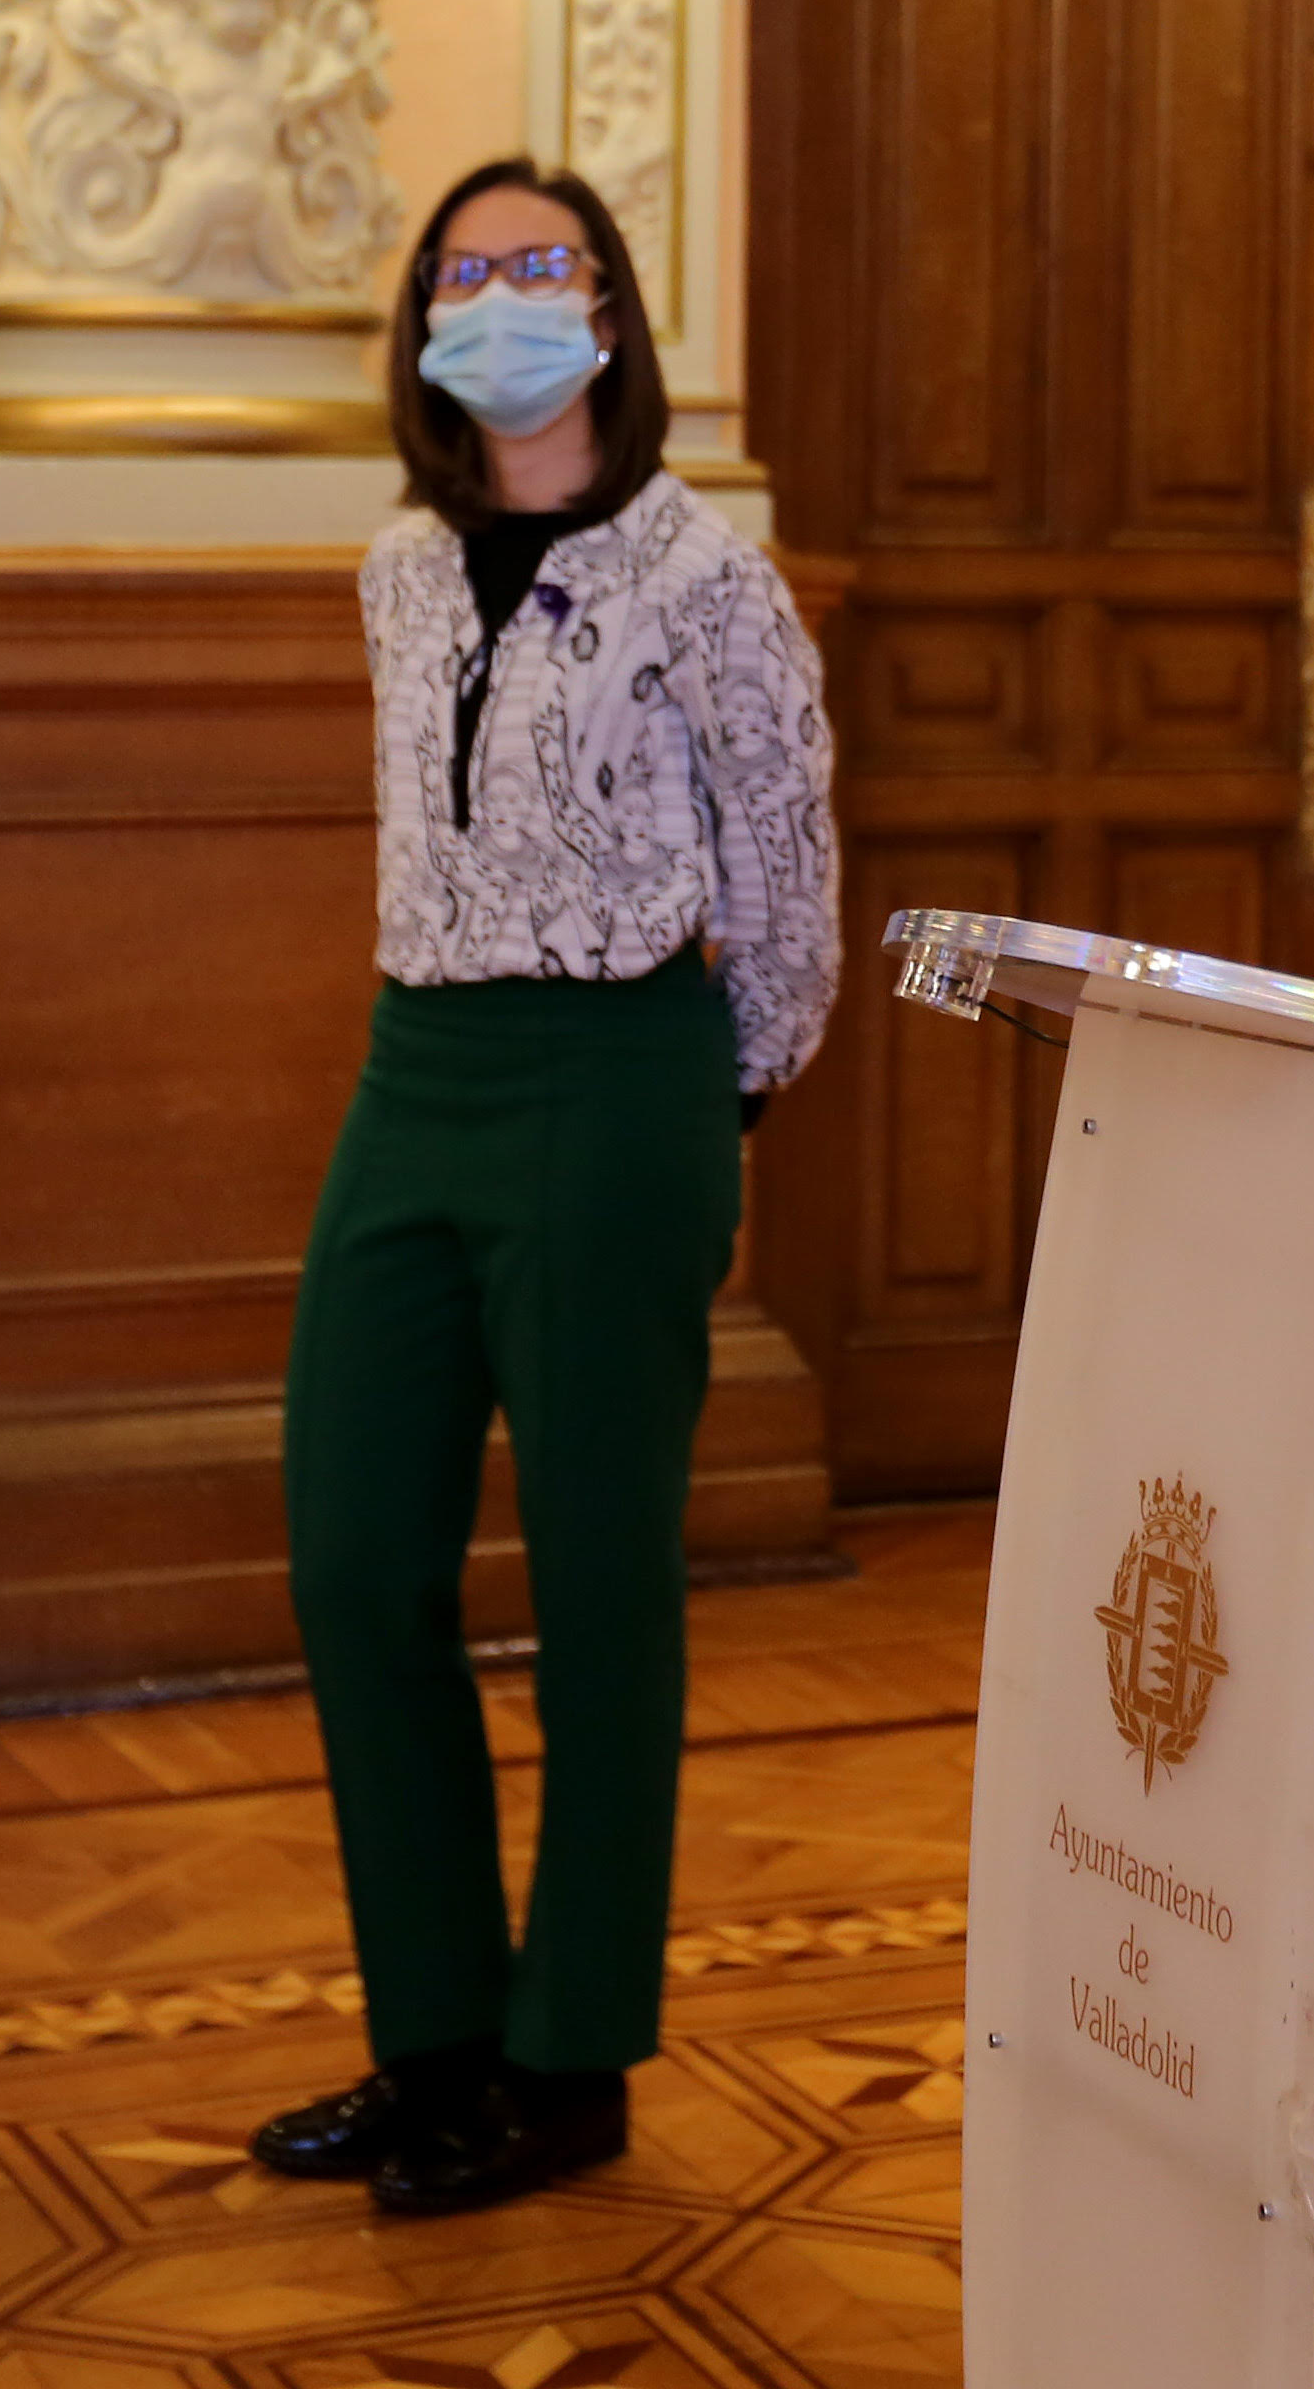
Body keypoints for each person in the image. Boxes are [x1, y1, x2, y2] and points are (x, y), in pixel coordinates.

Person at [249, 157, 838, 2216]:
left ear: (607, 309)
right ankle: (431, 2042)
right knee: (353, 1560)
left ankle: (566, 2059)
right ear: (423, 320)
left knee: (598, 1586)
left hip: (617, 1079)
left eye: (540, 264)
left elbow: (783, 861)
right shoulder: (400, 567)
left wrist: (720, 1093)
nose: (499, 296)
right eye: (464, 269)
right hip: (418, 1071)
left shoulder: (707, 573)